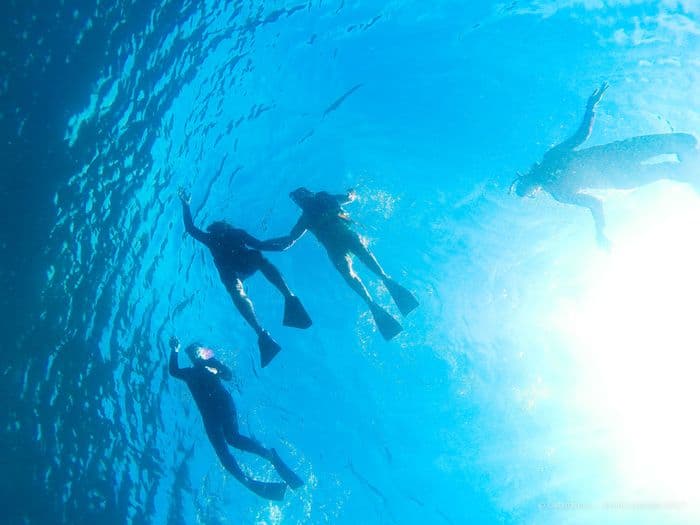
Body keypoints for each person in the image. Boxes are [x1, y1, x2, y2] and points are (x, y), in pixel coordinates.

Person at [513, 82, 699, 248]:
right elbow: (594, 203)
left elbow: (581, 136)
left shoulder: (553, 162)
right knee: (675, 163)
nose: (532, 188)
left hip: (620, 155)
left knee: (684, 143)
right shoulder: (558, 190)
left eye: (526, 187)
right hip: (621, 171)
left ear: (527, 180)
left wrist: (591, 107)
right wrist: (600, 231)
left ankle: (691, 168)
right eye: (529, 192)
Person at [258, 187, 418, 341]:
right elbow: (289, 241)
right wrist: (352, 191)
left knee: (355, 269)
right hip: (341, 241)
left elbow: (289, 241)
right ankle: (379, 289)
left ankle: (377, 291)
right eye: (299, 199)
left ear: (303, 198)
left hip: (340, 244)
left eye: (299, 198)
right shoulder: (315, 210)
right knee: (356, 265)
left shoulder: (313, 211)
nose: (300, 201)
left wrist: (262, 245)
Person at [178, 188, 311, 368]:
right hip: (237, 268)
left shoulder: (217, 237)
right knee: (251, 269)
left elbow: (191, 229)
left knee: (239, 286)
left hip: (234, 269)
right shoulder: (229, 234)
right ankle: (284, 302)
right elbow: (261, 245)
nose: (220, 228)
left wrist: (186, 206)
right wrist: (279, 245)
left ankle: (270, 319)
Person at [168, 336, 304, 500]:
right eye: (194, 353)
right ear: (192, 357)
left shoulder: (206, 366)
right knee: (228, 444)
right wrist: (175, 350)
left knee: (230, 441)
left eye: (197, 352)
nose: (196, 355)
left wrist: (210, 364)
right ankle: (256, 468)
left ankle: (265, 459)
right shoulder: (191, 372)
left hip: (218, 408)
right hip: (214, 412)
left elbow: (227, 375)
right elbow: (174, 371)